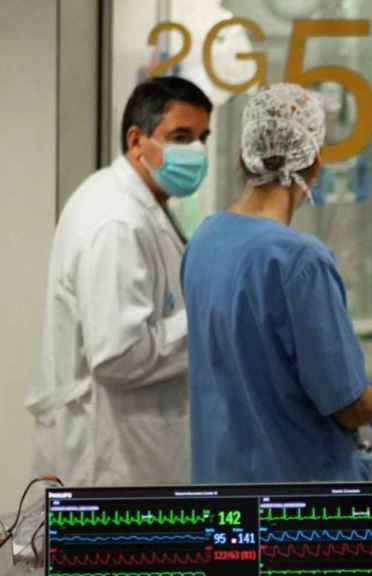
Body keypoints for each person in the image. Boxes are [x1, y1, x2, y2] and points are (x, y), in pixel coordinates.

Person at [182, 83, 372, 483]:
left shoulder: (204, 242)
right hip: (296, 506)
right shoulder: (300, 262)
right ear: (314, 165)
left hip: (223, 492)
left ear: (244, 156)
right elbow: (346, 404)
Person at [27, 77, 212, 486]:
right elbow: (118, 355)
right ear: (136, 139)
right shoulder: (116, 221)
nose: (196, 152)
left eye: (202, 138)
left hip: (133, 451)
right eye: (181, 136)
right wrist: (208, 318)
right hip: (112, 460)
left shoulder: (139, 205)